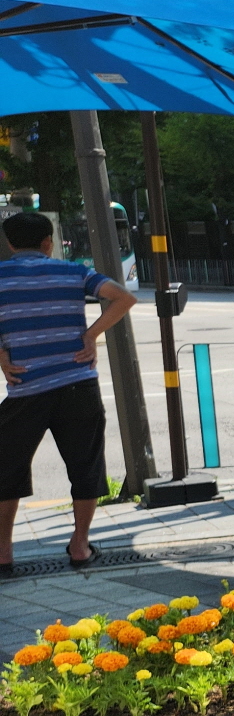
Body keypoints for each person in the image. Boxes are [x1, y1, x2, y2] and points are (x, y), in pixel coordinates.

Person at [0, 211, 138, 576]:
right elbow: (123, 298)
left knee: (6, 468)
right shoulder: (74, 272)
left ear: (10, 243)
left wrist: (1, 354)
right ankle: (80, 545)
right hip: (78, 385)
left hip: (24, 389)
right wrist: (91, 335)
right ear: (49, 243)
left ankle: (3, 552)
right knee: (86, 464)